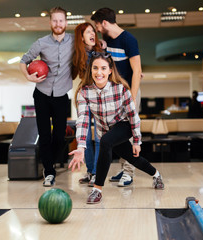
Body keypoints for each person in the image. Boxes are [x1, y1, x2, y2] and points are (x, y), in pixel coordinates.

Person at [68, 52, 164, 204]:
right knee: (133, 159)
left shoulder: (121, 89)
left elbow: (133, 116)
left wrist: (137, 141)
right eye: (95, 68)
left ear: (110, 70)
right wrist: (81, 146)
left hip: (124, 126)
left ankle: (97, 189)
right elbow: (83, 120)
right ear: (90, 70)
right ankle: (156, 174)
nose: (99, 72)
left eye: (103, 68)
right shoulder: (84, 92)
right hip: (106, 131)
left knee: (106, 141)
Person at [19, 7, 74, 187]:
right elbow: (23, 60)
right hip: (41, 94)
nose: (58, 24)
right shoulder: (41, 43)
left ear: (66, 22)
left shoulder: (74, 42)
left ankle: (48, 161)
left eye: (61, 20)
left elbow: (91, 44)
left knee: (59, 136)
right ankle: (49, 172)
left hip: (61, 95)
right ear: (50, 22)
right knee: (44, 134)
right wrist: (28, 76)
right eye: (55, 20)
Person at [91, 7, 142, 187]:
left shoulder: (129, 39)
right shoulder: (106, 40)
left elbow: (137, 70)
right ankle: (124, 167)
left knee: (129, 133)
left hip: (128, 93)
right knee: (117, 134)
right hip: (113, 94)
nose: (96, 29)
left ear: (104, 23)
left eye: (97, 26)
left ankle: (129, 172)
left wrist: (132, 98)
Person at [72, 22, 103, 187]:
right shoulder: (78, 54)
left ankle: (97, 172)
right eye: (88, 32)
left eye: (93, 31)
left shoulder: (101, 53)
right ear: (81, 37)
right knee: (84, 137)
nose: (92, 34)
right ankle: (91, 171)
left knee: (99, 137)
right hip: (84, 97)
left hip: (100, 98)